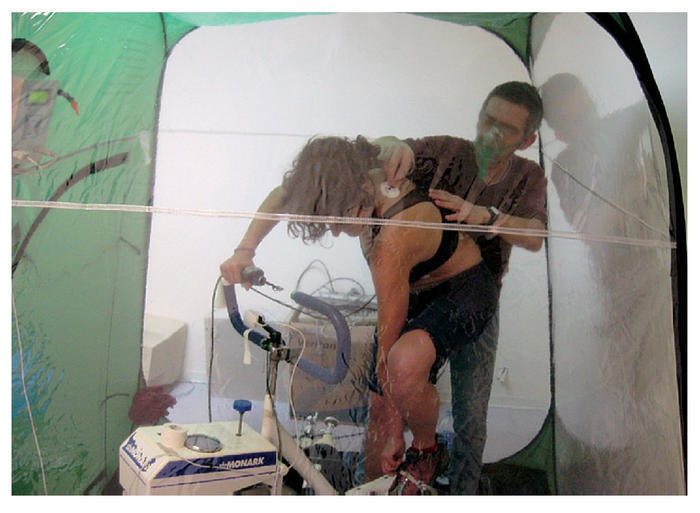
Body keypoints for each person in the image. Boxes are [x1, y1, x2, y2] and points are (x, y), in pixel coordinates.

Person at [219, 135, 498, 494]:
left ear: (362, 189)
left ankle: (427, 450)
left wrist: (397, 433)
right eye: (327, 221)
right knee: (380, 404)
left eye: (340, 217)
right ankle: (371, 491)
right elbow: (282, 194)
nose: (336, 230)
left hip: (463, 289)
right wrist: (245, 250)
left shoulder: (393, 239)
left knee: (410, 372)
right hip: (413, 285)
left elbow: (388, 345)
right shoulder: (345, 174)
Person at [374, 81, 547, 494]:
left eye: (506, 129)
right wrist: (391, 145)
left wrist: (486, 217)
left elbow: (536, 235)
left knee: (471, 414)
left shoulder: (528, 175)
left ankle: (463, 492)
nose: (490, 133)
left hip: (476, 304)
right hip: (417, 294)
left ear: (527, 140)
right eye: (487, 119)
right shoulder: (446, 150)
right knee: (385, 392)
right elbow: (382, 147)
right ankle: (385, 482)